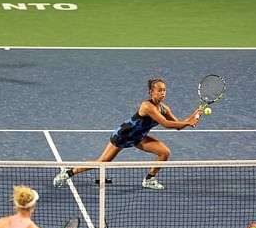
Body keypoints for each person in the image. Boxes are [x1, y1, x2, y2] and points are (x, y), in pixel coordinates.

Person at [53, 78, 202, 190]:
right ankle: (69, 172)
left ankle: (149, 179)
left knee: (164, 152)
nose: (163, 93)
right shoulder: (147, 106)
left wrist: (194, 115)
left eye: (164, 90)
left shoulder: (165, 108)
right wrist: (188, 121)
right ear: (151, 92)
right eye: (159, 90)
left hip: (139, 138)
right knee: (102, 162)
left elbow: (178, 126)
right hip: (123, 136)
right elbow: (167, 124)